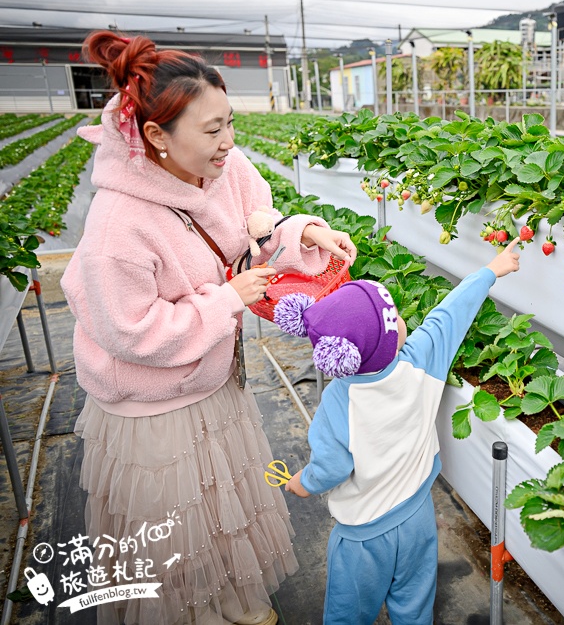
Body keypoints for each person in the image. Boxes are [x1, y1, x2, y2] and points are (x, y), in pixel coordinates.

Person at [61, 31, 358, 625]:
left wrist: (305, 234)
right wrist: (224, 301)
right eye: (211, 130)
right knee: (175, 523)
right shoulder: (118, 229)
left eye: (230, 123)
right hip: (151, 405)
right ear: (155, 137)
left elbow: (257, 227)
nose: (228, 143)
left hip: (212, 372)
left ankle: (231, 598)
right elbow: (130, 333)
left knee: (220, 502)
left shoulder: (227, 166)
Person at [276, 239, 522, 625]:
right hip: (417, 516)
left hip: (363, 537)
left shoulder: (339, 402)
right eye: (396, 318)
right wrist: (492, 270)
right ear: (390, 339)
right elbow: (450, 314)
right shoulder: (420, 361)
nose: (404, 320)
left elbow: (332, 467)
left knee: (349, 612)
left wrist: (302, 483)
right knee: (414, 602)